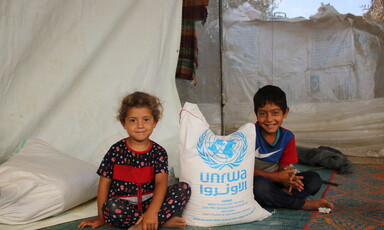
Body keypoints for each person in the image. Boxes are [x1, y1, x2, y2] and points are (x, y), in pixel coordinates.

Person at [78, 91, 191, 230]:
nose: (140, 125)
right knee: (111, 207)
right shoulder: (116, 151)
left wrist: (152, 211)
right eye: (133, 120)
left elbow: (161, 183)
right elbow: (104, 184)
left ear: (155, 122)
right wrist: (101, 218)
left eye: (146, 119)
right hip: (124, 207)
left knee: (183, 188)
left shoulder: (159, 152)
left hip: (152, 203)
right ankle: (160, 222)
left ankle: (148, 221)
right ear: (123, 123)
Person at [252, 85, 333, 211]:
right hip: (255, 181)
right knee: (260, 187)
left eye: (275, 113)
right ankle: (302, 204)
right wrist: (275, 177)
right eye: (263, 113)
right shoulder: (249, 134)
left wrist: (289, 180)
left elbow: (284, 169)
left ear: (285, 113)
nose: (269, 119)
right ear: (256, 114)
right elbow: (243, 170)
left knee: (314, 180)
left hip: (276, 182)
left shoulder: (287, 137)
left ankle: (279, 197)